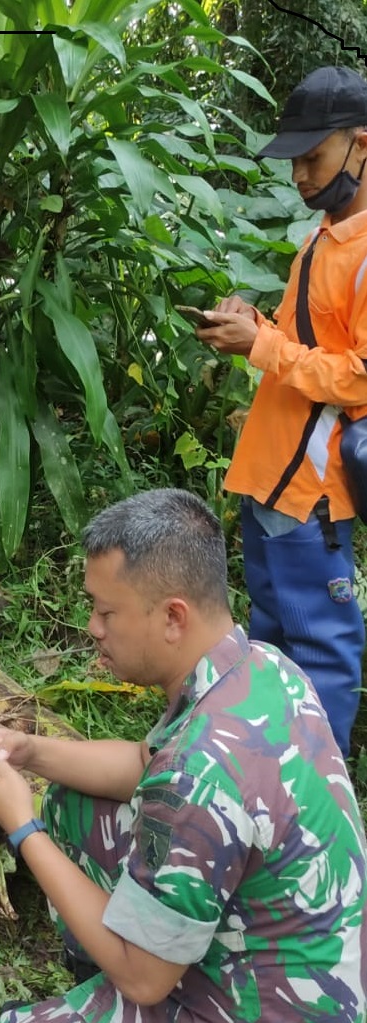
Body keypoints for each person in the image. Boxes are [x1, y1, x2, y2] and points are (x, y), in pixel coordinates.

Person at [0, 489, 367, 1023]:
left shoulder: (205, 774)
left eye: (105, 612)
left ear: (171, 616)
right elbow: (145, 760)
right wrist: (29, 750)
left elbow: (141, 977)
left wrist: (20, 825)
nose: (91, 628)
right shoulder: (257, 668)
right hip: (291, 986)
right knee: (79, 804)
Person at [197, 65, 367, 758]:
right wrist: (252, 324)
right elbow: (307, 346)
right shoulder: (327, 232)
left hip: (312, 491)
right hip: (268, 478)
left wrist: (261, 344)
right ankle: (266, 774)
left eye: (311, 157)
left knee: (320, 651)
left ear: (362, 144)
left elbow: (358, 377)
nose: (298, 174)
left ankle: (317, 807)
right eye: (293, 160)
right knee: (270, 641)